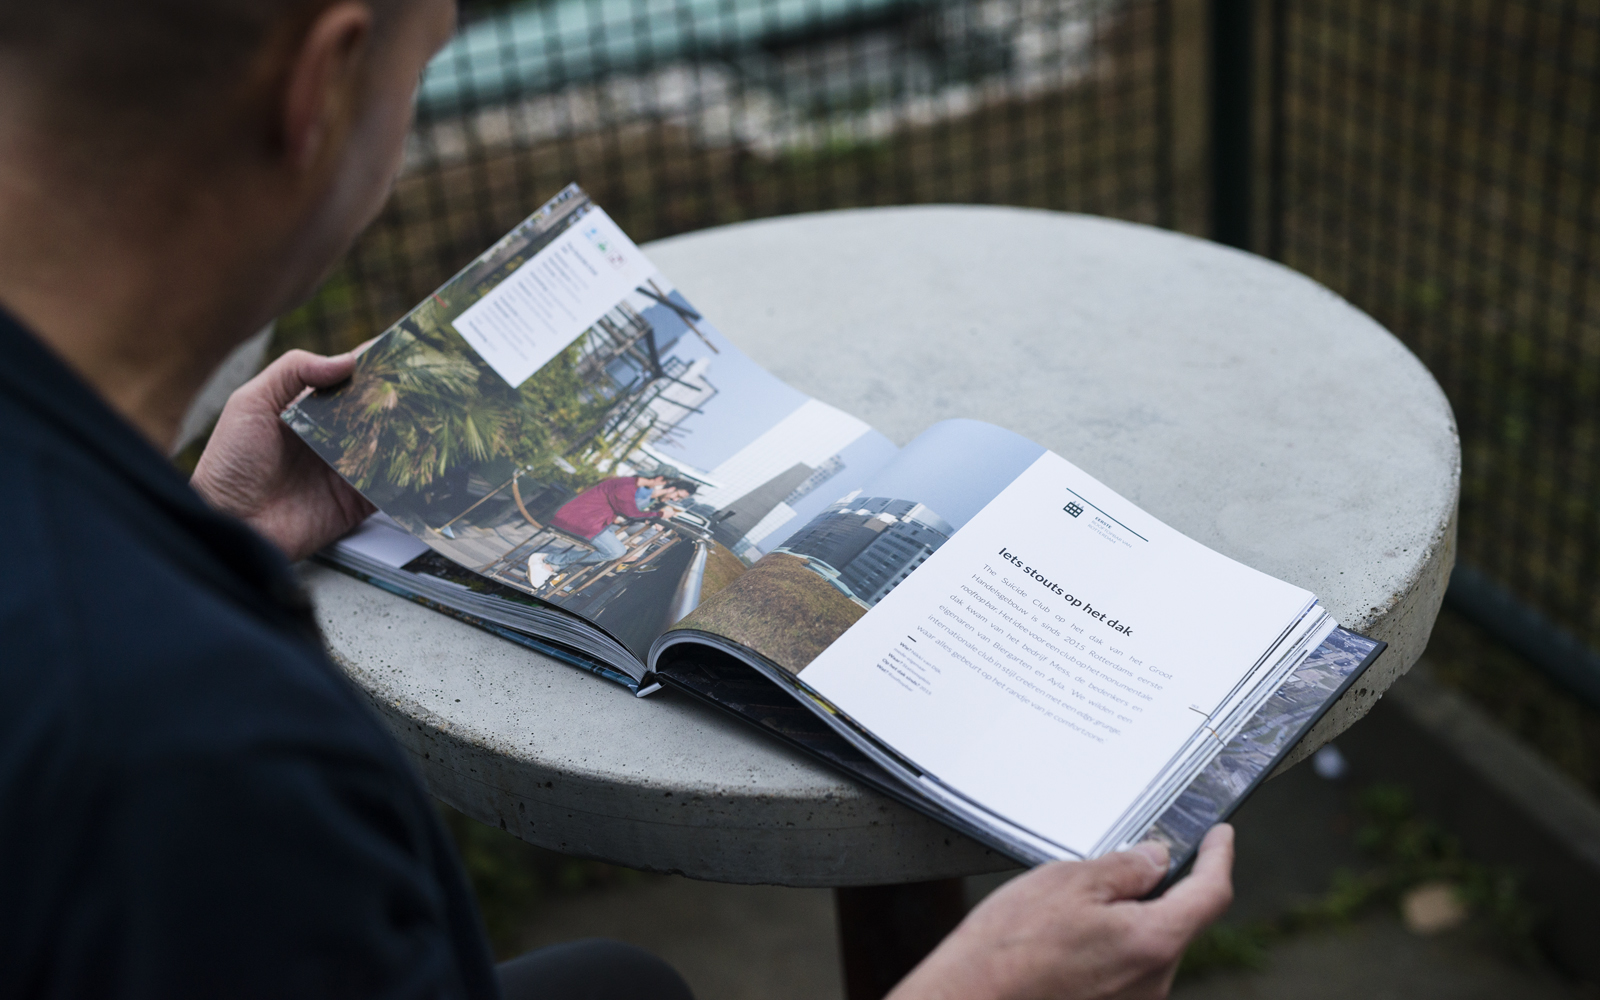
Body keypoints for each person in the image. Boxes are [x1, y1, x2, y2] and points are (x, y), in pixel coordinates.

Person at [0, 1, 1234, 998]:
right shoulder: (190, 765)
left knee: (618, 980)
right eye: (425, 64)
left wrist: (215, 541)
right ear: (320, 89)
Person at [529, 475, 696, 581]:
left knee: (613, 551)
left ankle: (553, 568)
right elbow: (631, 513)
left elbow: (628, 512)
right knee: (615, 552)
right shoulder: (629, 487)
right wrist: (658, 515)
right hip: (584, 521)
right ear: (664, 482)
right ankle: (550, 562)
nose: (674, 499)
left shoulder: (630, 485)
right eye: (677, 496)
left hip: (592, 521)